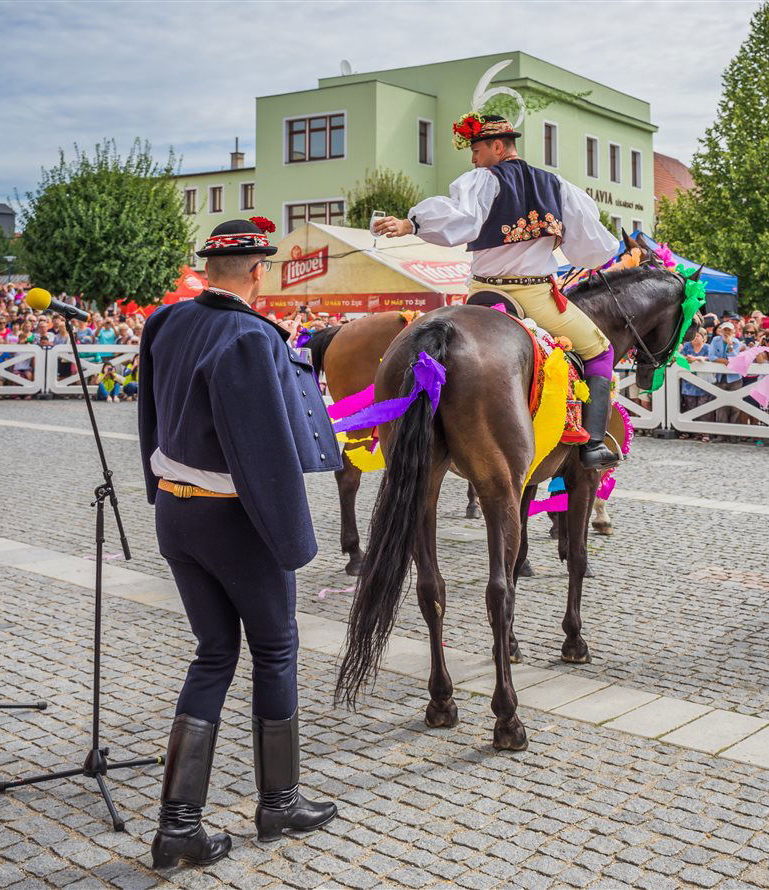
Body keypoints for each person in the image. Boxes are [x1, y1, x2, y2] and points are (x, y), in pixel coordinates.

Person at [137, 218, 341, 869]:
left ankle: (178, 829)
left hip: (176, 513)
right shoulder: (252, 336)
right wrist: (293, 542)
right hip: (232, 520)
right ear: (258, 271)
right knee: (276, 649)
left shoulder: (165, 323)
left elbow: (150, 415)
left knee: (213, 654)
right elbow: (265, 453)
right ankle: (278, 803)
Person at [373, 113, 620, 469]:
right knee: (599, 351)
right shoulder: (558, 187)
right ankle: (593, 445)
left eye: (476, 151)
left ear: (497, 146)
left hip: (481, 294)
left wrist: (412, 223)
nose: (473, 160)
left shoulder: (481, 182)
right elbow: (593, 249)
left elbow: (459, 219)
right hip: (536, 297)